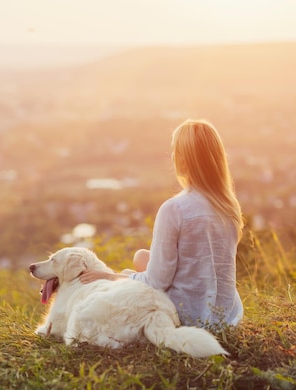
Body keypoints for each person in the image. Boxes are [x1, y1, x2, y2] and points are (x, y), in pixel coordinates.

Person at [80, 119, 244, 327]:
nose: (173, 157)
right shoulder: (228, 207)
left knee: (128, 275)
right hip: (227, 315)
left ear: (184, 160)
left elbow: (157, 282)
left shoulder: (174, 209)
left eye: (176, 151)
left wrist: (109, 277)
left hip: (187, 315)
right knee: (141, 258)